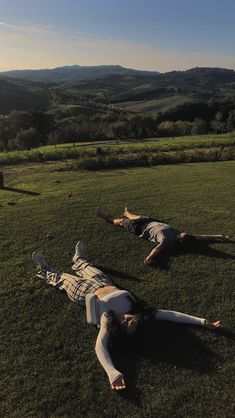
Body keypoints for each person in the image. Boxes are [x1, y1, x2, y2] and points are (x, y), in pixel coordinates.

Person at [32, 241, 221, 391]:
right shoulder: (141, 311)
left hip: (83, 294)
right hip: (104, 282)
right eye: (131, 322)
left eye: (124, 325)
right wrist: (203, 322)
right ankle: (78, 259)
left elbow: (100, 346)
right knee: (88, 267)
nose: (126, 320)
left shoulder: (108, 321)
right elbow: (172, 315)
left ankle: (45, 270)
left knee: (63, 279)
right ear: (140, 322)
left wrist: (113, 373)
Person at [98, 207, 231, 265]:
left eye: (184, 235)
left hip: (140, 228)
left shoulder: (167, 241)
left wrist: (149, 259)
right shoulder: (182, 235)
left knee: (121, 222)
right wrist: (219, 236)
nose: (184, 232)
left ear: (180, 239)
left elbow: (158, 249)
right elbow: (202, 237)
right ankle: (127, 212)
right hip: (150, 221)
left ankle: (108, 218)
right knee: (134, 216)